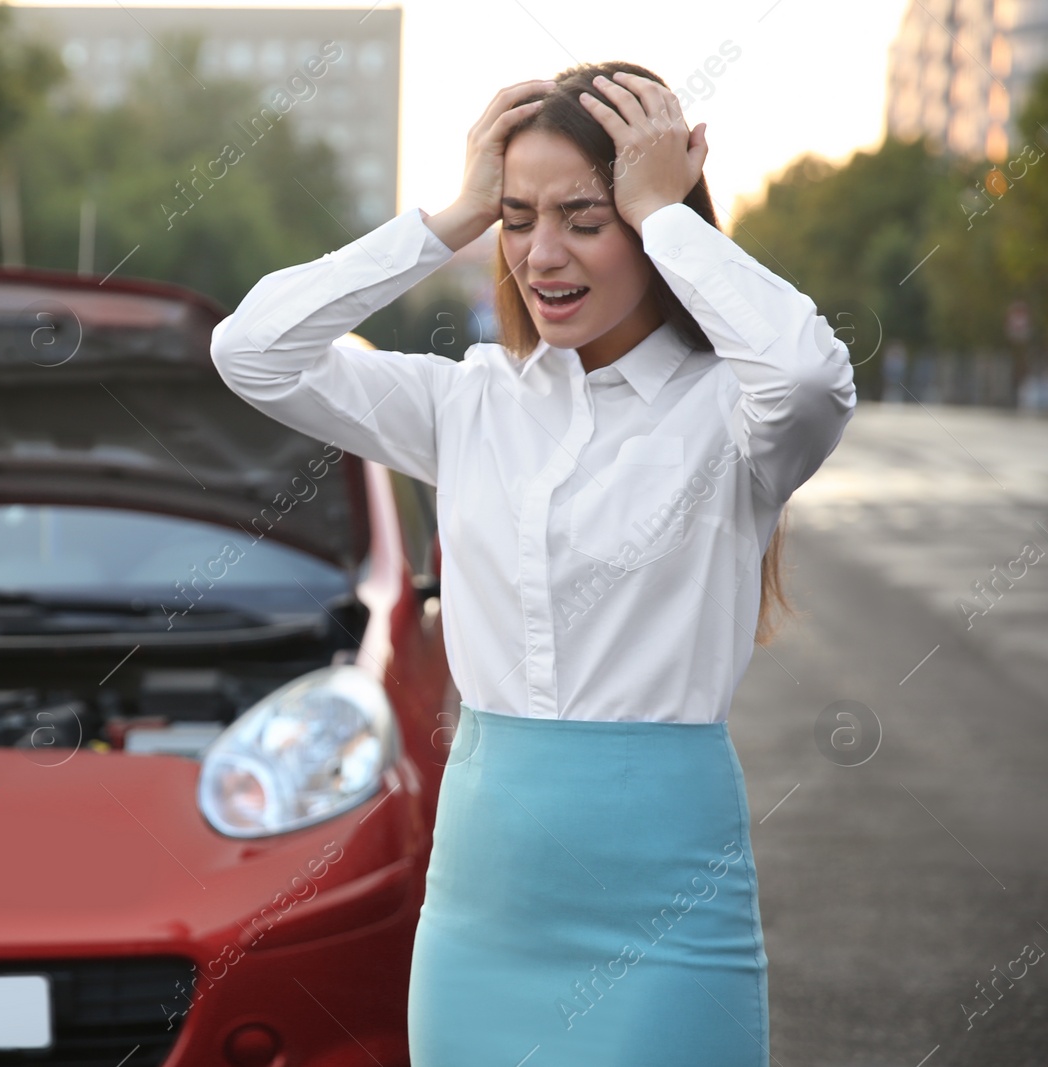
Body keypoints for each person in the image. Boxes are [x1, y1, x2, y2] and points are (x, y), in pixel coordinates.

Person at [210, 60, 855, 1065]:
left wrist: (667, 209)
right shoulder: (469, 402)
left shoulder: (732, 416)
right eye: (519, 218)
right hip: (479, 914)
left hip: (664, 916)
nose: (541, 254)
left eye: (585, 219)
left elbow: (812, 373)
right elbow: (253, 349)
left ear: (649, 221)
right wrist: (449, 217)